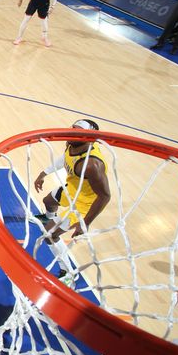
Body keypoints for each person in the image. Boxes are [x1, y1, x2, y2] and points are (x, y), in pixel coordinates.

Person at [33, 119, 111, 286]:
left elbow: (104, 196)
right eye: (73, 129)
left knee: (49, 235)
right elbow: (65, 158)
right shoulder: (73, 144)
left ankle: (68, 273)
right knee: (48, 201)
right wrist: (43, 173)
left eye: (78, 131)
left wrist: (85, 223)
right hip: (73, 189)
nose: (72, 132)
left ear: (90, 138)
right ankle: (50, 217)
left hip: (84, 204)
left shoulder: (91, 165)